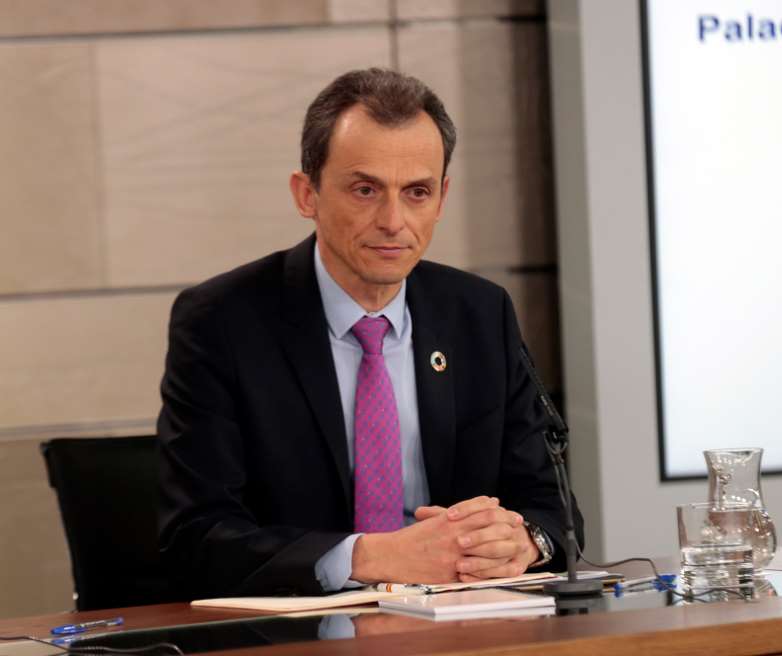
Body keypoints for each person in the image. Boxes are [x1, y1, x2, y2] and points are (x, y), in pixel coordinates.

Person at [157, 68, 582, 598]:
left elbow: (554, 510)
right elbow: (195, 538)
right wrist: (372, 556)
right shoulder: (222, 321)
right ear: (306, 193)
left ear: (442, 198)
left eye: (418, 192)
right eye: (365, 190)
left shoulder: (478, 313)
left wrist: (524, 541)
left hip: (463, 628)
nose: (393, 221)